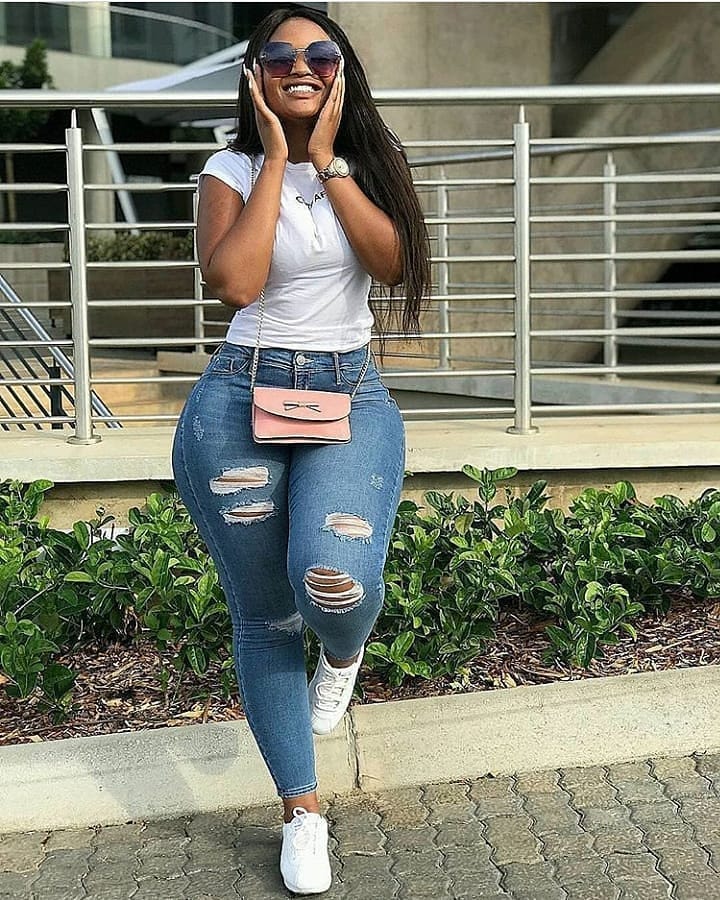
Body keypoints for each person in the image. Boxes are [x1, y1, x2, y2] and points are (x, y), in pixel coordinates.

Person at [172, 6, 430, 895]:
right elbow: (236, 283)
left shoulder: (370, 163)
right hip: (237, 402)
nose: (300, 67)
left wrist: (326, 160)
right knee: (266, 615)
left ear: (342, 70)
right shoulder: (231, 170)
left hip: (348, 396)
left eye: (319, 54)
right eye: (278, 56)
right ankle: (302, 813)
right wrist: (279, 159)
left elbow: (392, 264)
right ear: (255, 76)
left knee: (335, 578)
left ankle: (345, 654)